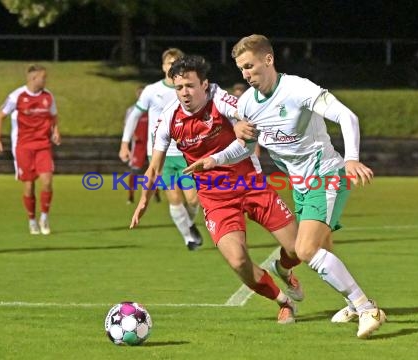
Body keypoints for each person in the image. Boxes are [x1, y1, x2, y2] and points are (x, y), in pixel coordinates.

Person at [185, 35, 386, 338]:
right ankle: (351, 303)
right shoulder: (248, 104)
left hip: (327, 174)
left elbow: (347, 116)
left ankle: (366, 306)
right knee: (321, 247)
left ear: (269, 60)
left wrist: (351, 159)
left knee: (305, 248)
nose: (245, 74)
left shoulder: (297, 88)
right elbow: (245, 146)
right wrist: (215, 160)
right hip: (301, 185)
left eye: (250, 66)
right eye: (240, 69)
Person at [130, 55, 304, 324]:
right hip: (215, 198)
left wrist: (237, 124)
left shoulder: (219, 98)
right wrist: (144, 199)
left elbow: (237, 113)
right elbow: (154, 167)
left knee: (297, 249)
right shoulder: (168, 120)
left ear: (205, 85)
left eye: (190, 86)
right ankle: (283, 301)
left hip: (250, 184)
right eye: (179, 88)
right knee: (238, 262)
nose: (184, 93)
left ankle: (283, 267)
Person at [119, 48, 203, 251]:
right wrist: (124, 142)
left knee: (193, 199)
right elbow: (135, 116)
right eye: (168, 63)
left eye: (176, 62)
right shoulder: (151, 90)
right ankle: (188, 238)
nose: (171, 66)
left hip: (186, 152)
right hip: (160, 154)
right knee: (174, 198)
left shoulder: (189, 89)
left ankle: (189, 224)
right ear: (163, 66)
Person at [0, 63, 61, 235]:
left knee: (47, 181)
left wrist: (56, 131)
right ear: (33, 78)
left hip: (43, 145)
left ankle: (44, 217)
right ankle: (31, 219)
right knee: (29, 186)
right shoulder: (17, 96)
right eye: (43, 77)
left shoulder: (48, 96)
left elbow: (53, 116)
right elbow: (0, 116)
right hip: (23, 146)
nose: (45, 80)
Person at [123, 85, 160, 204]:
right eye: (139, 93)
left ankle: (156, 194)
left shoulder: (154, 109)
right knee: (134, 171)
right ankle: (131, 196)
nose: (141, 95)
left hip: (152, 145)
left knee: (154, 170)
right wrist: (131, 136)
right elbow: (127, 126)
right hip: (138, 145)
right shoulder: (131, 110)